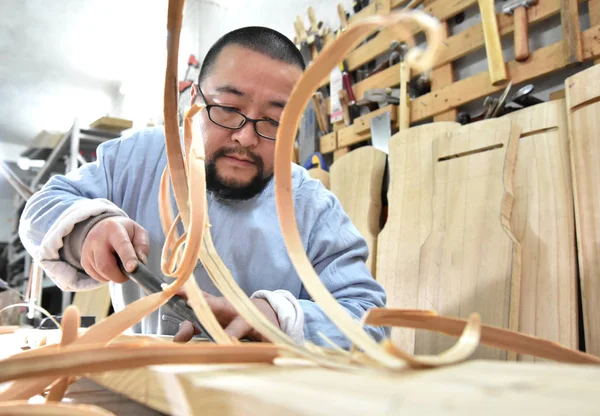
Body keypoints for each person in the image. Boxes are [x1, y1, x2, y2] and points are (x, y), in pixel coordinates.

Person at [18, 26, 388, 349]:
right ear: (194, 101)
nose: (245, 137)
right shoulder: (138, 158)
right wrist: (86, 229)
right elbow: (42, 207)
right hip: (141, 384)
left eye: (275, 121)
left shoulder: (313, 209)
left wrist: (278, 318)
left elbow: (370, 319)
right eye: (227, 108)